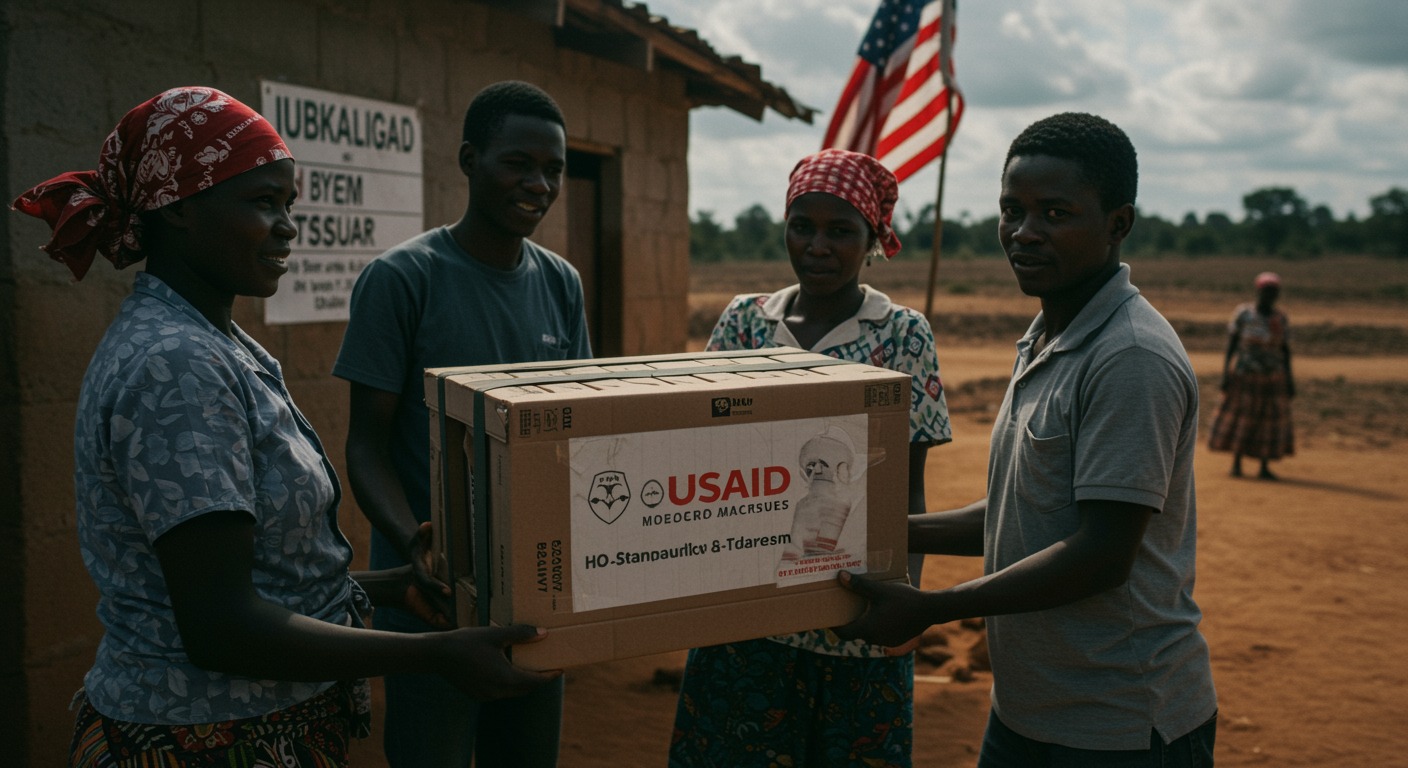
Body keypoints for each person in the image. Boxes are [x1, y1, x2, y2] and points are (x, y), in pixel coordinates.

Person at [11, 86, 557, 768]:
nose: (288, 226)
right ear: (178, 206)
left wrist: (386, 589)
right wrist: (435, 654)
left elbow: (258, 578)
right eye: (262, 203)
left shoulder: (216, 344)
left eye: (289, 205)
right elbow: (222, 626)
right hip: (203, 739)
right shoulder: (176, 364)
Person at [835, 113, 1218, 766]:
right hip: (1029, 709)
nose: (1023, 233)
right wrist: (887, 531)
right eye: (1011, 209)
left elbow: (1101, 552)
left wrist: (933, 607)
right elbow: (1019, 514)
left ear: (1117, 224)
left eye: (1054, 213)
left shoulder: (1129, 357)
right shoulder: (1049, 334)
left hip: (1118, 723)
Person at [333, 80, 590, 768]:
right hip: (435, 598)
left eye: (554, 170)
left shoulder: (561, 283)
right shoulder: (402, 279)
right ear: (470, 159)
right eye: (519, 163)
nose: (539, 184)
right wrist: (412, 540)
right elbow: (367, 444)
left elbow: (574, 438)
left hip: (536, 590)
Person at [670, 148, 953, 767]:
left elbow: (907, 486)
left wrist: (903, 597)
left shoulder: (902, 334)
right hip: (745, 611)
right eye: (804, 227)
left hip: (852, 614)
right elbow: (703, 461)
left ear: (873, 240)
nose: (818, 246)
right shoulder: (746, 323)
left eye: (840, 231)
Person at [1208, 271, 1295, 479]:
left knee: (1268, 421)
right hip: (1245, 375)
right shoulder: (1244, 314)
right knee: (1242, 418)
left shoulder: (1280, 319)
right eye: (1267, 291)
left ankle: (1264, 466)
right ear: (1259, 291)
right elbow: (1232, 345)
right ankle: (1237, 463)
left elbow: (1284, 350)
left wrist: (1289, 379)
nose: (1270, 295)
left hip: (1272, 377)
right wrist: (1226, 373)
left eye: (1274, 292)